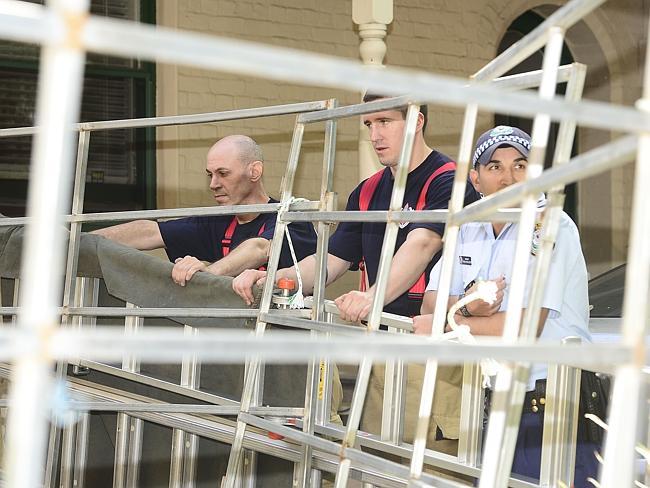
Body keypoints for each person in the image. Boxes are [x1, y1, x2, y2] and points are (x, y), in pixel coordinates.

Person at [232, 95, 480, 457]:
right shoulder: (366, 191)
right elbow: (331, 259)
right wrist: (273, 277)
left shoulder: (449, 180)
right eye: (368, 124)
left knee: (428, 468)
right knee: (377, 462)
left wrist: (371, 297)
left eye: (385, 122)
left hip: (430, 346)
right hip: (381, 344)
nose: (375, 134)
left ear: (417, 121)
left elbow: (423, 242)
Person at [413, 125, 599, 487]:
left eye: (521, 165)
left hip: (552, 405)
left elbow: (526, 327)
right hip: (493, 399)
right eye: (495, 166)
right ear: (476, 179)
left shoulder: (552, 224)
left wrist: (449, 322)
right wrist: (469, 307)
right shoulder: (470, 224)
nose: (509, 176)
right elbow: (429, 302)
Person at [93, 135, 317, 285]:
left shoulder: (291, 219)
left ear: (254, 172)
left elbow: (260, 248)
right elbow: (150, 232)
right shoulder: (218, 222)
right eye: (210, 175)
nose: (213, 184)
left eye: (223, 173)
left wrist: (207, 276)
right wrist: (77, 240)